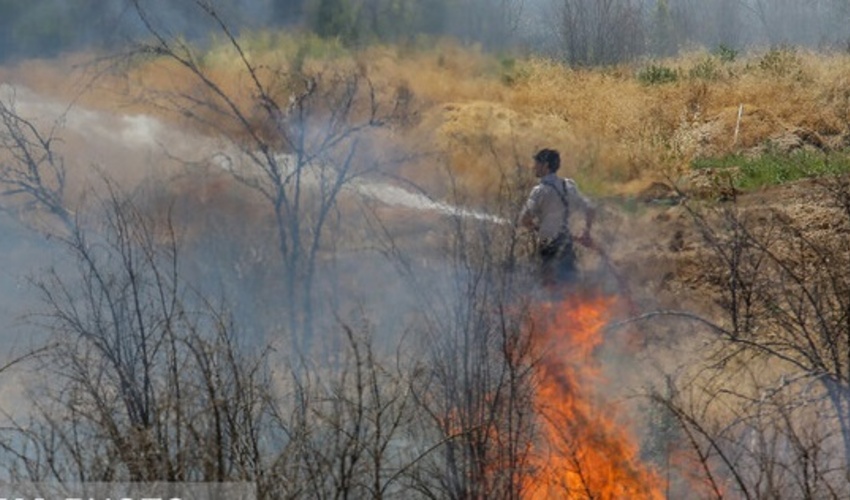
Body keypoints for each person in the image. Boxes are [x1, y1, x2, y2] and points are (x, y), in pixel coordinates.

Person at [519, 148, 595, 287]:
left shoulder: (539, 191)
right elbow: (590, 208)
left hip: (548, 249)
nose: (533, 167)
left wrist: (537, 228)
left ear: (546, 166)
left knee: (549, 291)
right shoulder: (569, 186)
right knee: (569, 288)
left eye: (536, 164)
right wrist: (586, 232)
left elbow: (524, 219)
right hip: (567, 245)